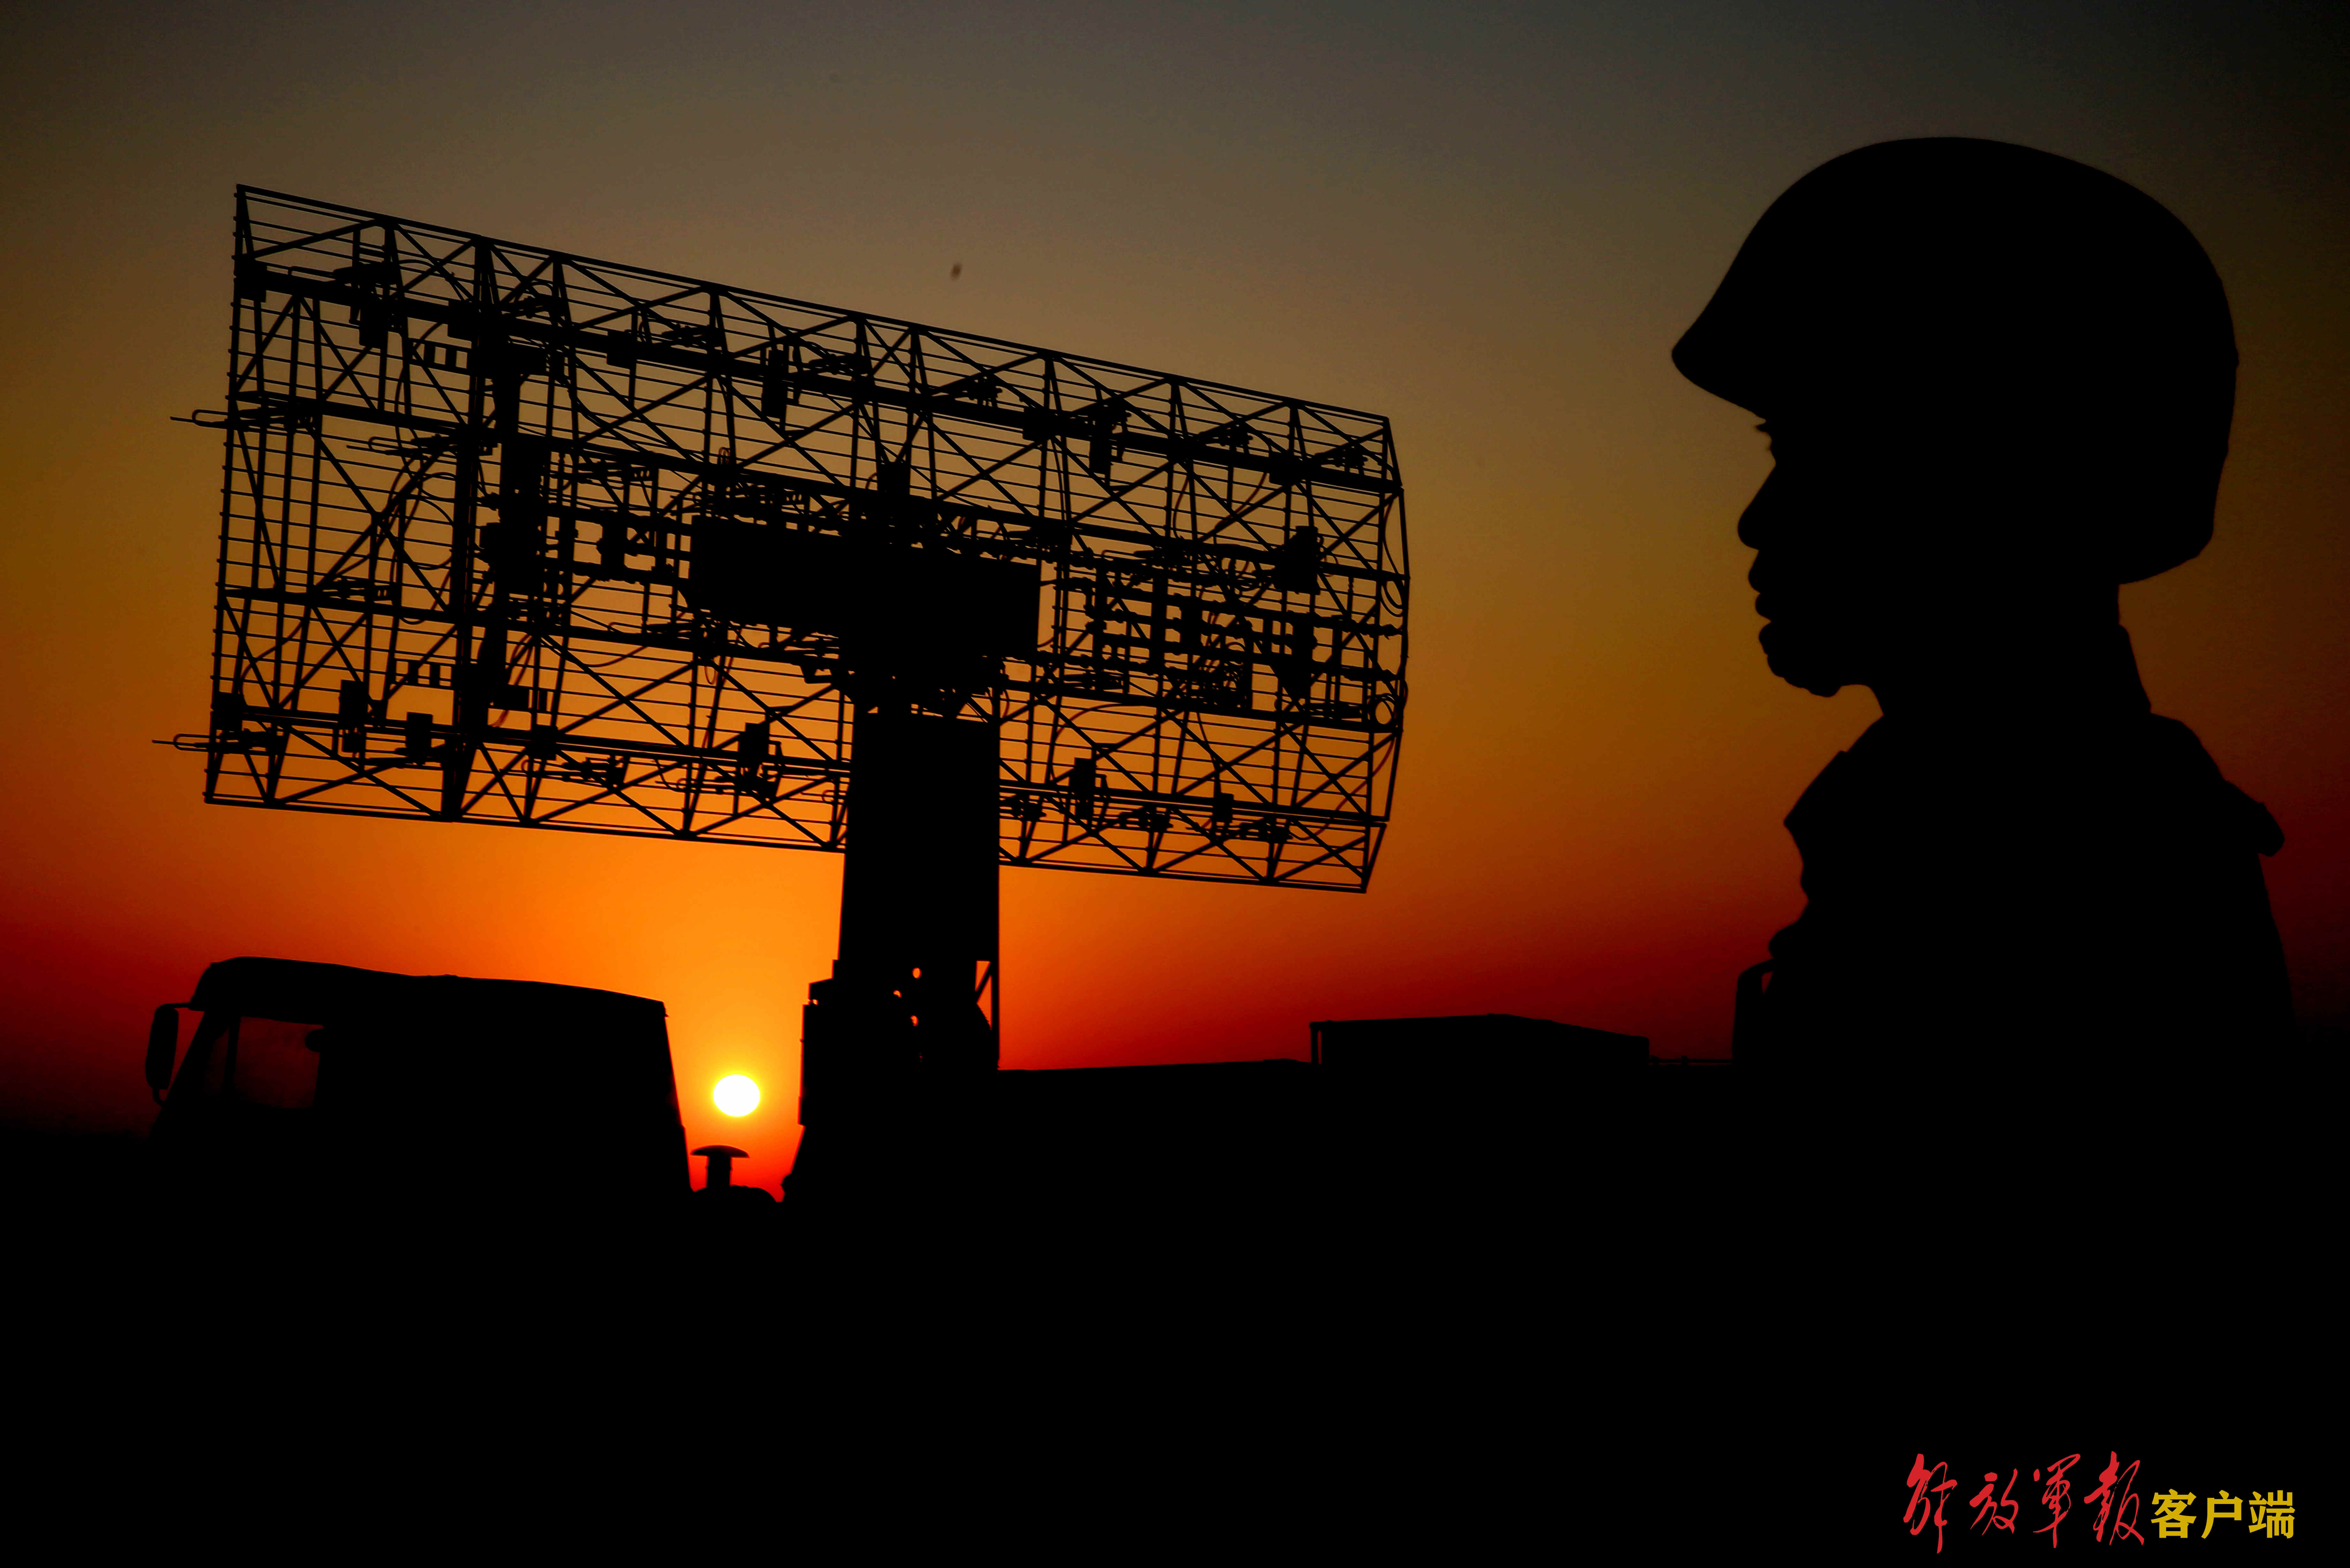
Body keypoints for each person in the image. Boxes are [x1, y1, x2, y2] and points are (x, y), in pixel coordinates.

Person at [1672, 138, 2292, 1061]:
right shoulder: (1953, 836)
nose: (1756, 524)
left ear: (1979, 470)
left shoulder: (2065, 876)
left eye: (1808, 451)